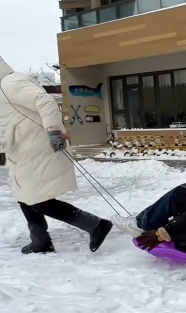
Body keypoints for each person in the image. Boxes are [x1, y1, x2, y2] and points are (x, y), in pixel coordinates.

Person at [0, 55, 112, 254]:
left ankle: (95, 225)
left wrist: (54, 132)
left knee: (38, 200)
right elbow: (8, 124)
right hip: (22, 153)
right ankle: (41, 241)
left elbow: (45, 100)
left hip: (38, 149)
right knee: (24, 196)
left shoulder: (11, 82)